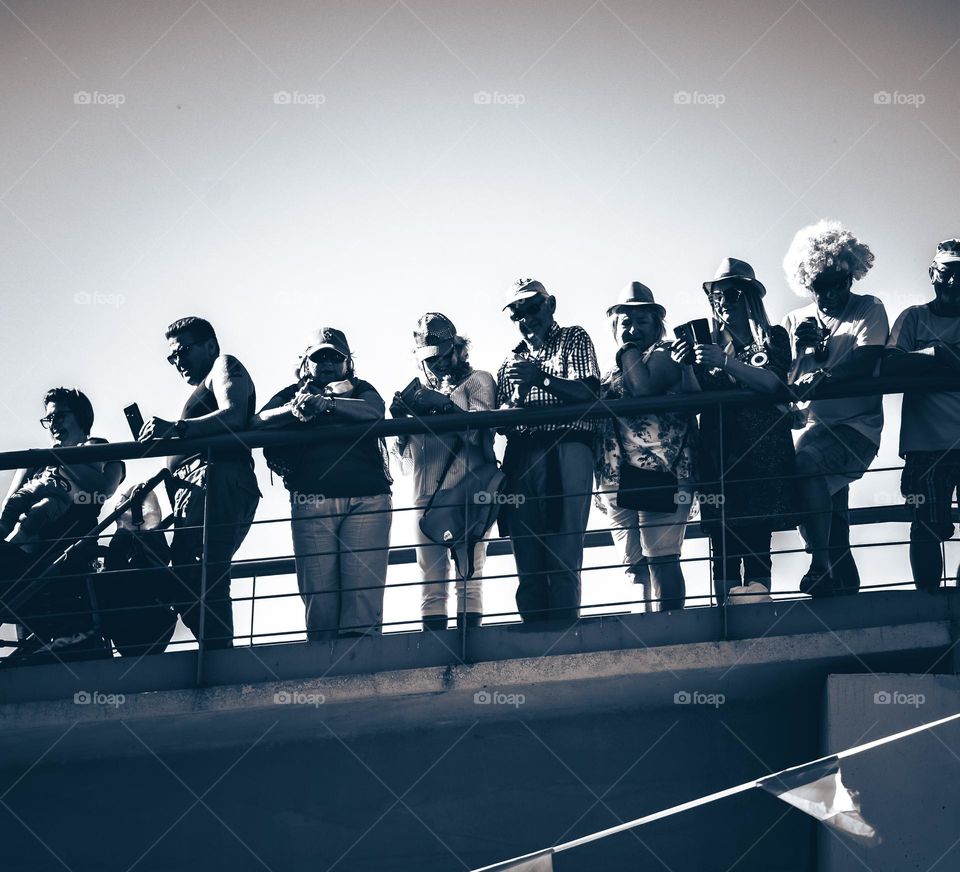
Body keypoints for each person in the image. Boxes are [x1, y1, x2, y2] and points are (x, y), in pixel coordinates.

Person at [254, 327, 392, 641]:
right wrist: (294, 409)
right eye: (319, 357)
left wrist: (326, 404)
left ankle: (362, 675)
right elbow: (257, 421)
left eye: (335, 357)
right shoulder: (292, 394)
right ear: (306, 363)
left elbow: (375, 411)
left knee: (362, 602)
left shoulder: (362, 388)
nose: (328, 364)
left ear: (348, 363)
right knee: (321, 605)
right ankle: (325, 676)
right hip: (311, 502)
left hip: (367, 500)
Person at [675, 258, 797, 605]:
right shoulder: (705, 343)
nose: (724, 300)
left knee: (758, 538)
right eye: (717, 295)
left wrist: (725, 361)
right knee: (723, 540)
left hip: (762, 450)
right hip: (718, 452)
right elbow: (692, 399)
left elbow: (773, 381)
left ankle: (759, 618)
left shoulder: (773, 336)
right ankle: (725, 624)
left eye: (733, 292)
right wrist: (687, 366)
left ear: (751, 297)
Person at [138, 316, 260, 650]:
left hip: (218, 476)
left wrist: (177, 430)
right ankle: (216, 652)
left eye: (183, 351)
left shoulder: (224, 365)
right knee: (191, 571)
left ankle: (219, 658)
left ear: (210, 345)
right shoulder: (201, 386)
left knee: (204, 570)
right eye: (172, 357)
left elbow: (235, 414)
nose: (178, 362)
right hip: (201, 485)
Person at [782, 222, 888, 597]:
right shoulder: (795, 321)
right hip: (808, 429)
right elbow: (784, 382)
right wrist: (797, 351)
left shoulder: (868, 308)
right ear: (805, 282)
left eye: (837, 282)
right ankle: (840, 587)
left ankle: (817, 564)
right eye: (818, 285)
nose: (828, 292)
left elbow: (866, 359)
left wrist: (824, 375)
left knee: (805, 465)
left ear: (851, 275)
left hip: (856, 429)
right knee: (833, 520)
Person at [495, 278, 600, 624]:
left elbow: (587, 393)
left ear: (550, 304)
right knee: (527, 557)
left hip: (567, 449)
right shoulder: (509, 362)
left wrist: (539, 378)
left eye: (532, 307)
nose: (526, 317)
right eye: (516, 313)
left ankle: (564, 640)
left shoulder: (574, 337)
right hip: (522, 456)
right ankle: (535, 643)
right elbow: (502, 423)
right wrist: (519, 398)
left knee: (563, 553)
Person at [0, 388, 125, 662]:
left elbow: (103, 488)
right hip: (25, 559)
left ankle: (70, 637)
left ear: (79, 417)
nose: (53, 424)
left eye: (59, 416)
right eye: (49, 419)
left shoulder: (100, 450)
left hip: (68, 562)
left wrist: (56, 458)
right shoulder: (35, 461)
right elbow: (7, 511)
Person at [391, 313, 496, 631]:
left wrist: (443, 406)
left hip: (469, 489)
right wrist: (400, 427)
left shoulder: (479, 379)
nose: (437, 363)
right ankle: (435, 656)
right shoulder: (419, 394)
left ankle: (470, 649)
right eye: (429, 358)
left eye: (442, 355)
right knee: (430, 579)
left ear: (458, 348)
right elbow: (405, 465)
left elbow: (480, 435)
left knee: (470, 573)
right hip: (425, 493)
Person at [594, 282, 695, 612]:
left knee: (662, 560)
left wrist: (627, 350)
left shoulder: (665, 354)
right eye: (625, 322)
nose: (632, 329)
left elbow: (642, 390)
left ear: (657, 325)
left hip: (662, 471)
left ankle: (671, 632)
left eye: (641, 322)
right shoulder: (612, 368)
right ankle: (647, 630)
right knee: (635, 566)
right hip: (616, 475)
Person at [882, 239, 960, 592]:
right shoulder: (914, 317)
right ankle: (928, 604)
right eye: (947, 271)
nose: (954, 280)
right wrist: (939, 354)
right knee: (926, 525)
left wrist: (922, 362)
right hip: (925, 445)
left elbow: (902, 361)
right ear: (932, 274)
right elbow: (889, 363)